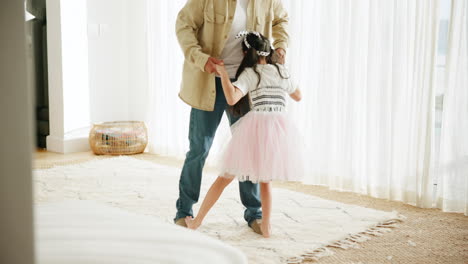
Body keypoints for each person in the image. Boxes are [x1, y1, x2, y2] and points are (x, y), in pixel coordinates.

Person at [174, 0, 290, 235]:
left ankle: (254, 214)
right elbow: (184, 25)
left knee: (250, 154)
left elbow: (281, 20)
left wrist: (281, 47)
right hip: (209, 82)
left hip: (247, 83)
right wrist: (200, 57)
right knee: (199, 149)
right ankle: (184, 211)